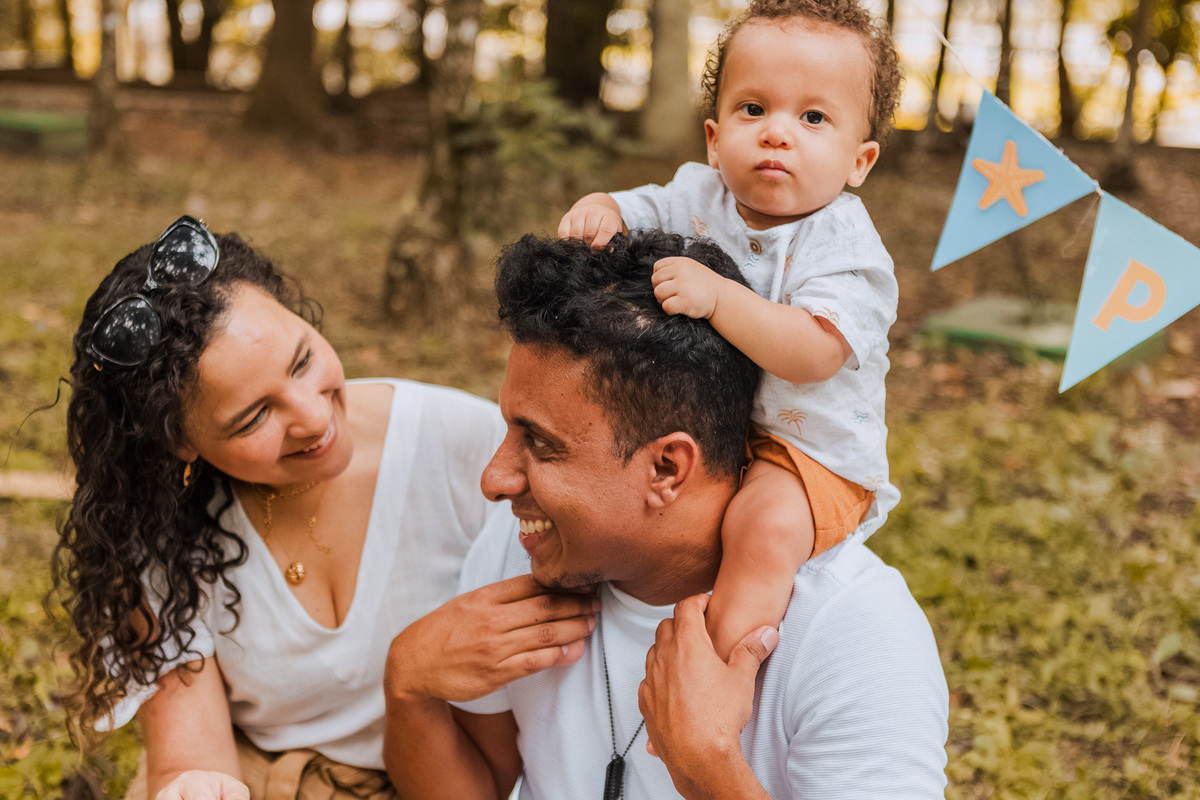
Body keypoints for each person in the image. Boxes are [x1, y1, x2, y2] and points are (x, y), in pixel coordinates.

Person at [383, 231, 948, 799]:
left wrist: (710, 769)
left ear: (668, 468)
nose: (494, 480)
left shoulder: (852, 632)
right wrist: (409, 688)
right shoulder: (521, 553)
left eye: (541, 444)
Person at [52, 216, 597, 800]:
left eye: (303, 361)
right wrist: (195, 787)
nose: (313, 419)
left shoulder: (465, 447)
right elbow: (191, 756)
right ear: (181, 444)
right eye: (254, 417)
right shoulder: (162, 532)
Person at [559, 0, 903, 659]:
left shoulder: (846, 245)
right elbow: (636, 209)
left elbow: (812, 353)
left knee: (762, 526)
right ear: (715, 139)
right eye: (754, 109)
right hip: (709, 425)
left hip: (803, 452)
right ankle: (595, 615)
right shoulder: (697, 196)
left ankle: (718, 673)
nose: (778, 133)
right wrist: (602, 209)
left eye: (812, 117)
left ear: (859, 160)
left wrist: (717, 298)